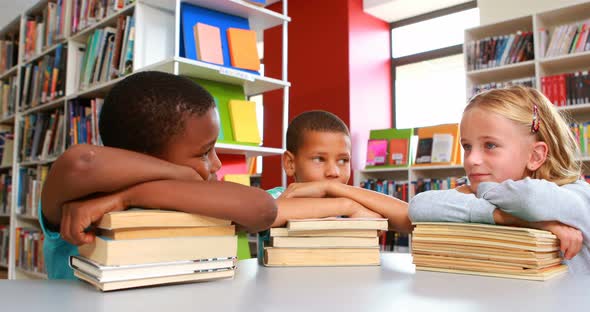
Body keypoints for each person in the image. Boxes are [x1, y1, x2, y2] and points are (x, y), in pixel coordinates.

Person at [41, 71, 277, 279]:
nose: (216, 164)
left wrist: (128, 197)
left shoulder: (193, 198)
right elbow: (82, 162)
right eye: (204, 152)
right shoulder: (71, 202)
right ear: (145, 157)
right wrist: (180, 174)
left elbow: (264, 209)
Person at [409, 86, 589, 273]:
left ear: (535, 156)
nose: (471, 159)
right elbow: (419, 205)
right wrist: (513, 219)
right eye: (467, 147)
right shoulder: (500, 198)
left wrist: (480, 190)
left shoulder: (580, 196)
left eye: (490, 145)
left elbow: (530, 199)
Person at [266, 110, 412, 232]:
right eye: (319, 159)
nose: (333, 172)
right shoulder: (281, 197)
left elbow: (410, 220)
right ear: (290, 163)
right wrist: (348, 206)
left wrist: (331, 187)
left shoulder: (354, 199)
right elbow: (268, 213)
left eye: (343, 161)